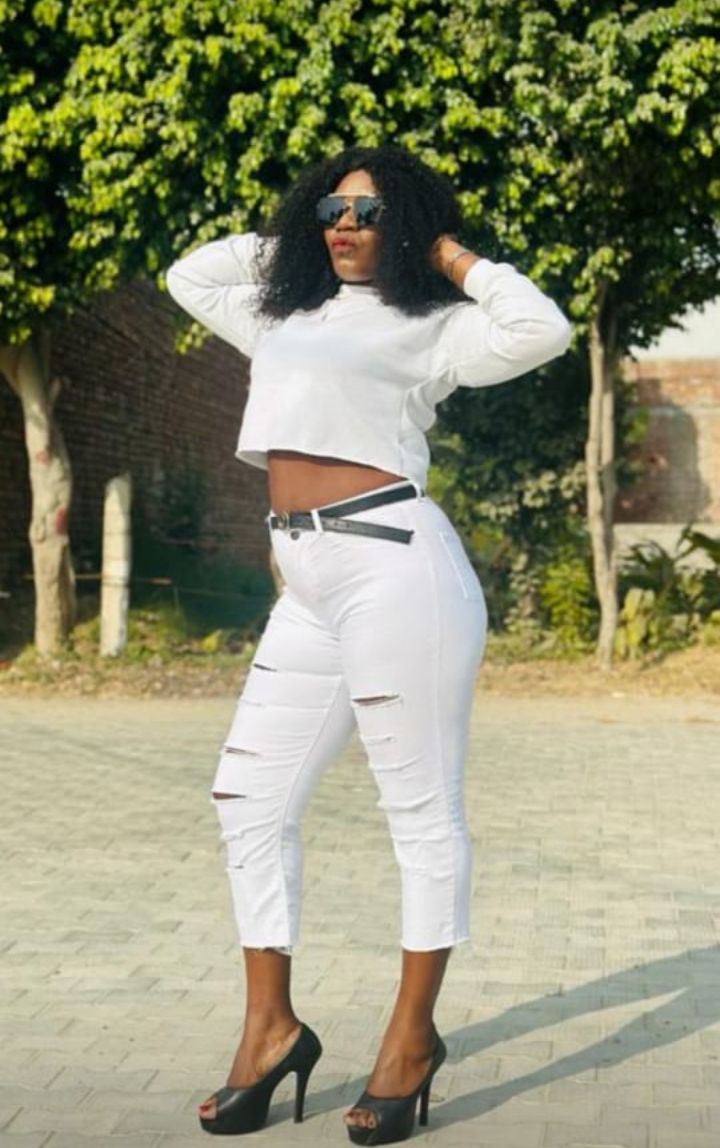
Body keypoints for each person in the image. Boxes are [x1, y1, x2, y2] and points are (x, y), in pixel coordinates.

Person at [166, 144, 571, 1144]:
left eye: (371, 211)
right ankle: (270, 1030)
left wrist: (446, 255)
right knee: (247, 797)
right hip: (304, 577)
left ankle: (411, 1038)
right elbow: (189, 275)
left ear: (409, 223)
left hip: (396, 568)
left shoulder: (432, 323)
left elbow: (542, 328)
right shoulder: (282, 311)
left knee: (419, 812)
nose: (348, 225)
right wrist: (295, 236)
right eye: (333, 209)